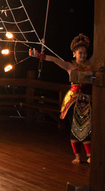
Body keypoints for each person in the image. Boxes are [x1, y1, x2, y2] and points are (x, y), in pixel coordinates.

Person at [29, 33, 92, 164]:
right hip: (73, 100)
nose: (83, 55)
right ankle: (78, 157)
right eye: (80, 53)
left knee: (88, 126)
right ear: (74, 54)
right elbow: (55, 60)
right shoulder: (70, 66)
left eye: (85, 53)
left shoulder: (91, 65)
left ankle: (90, 155)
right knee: (76, 126)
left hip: (87, 100)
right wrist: (39, 56)